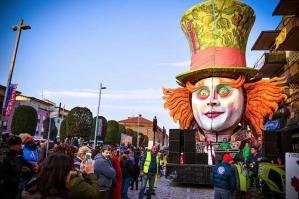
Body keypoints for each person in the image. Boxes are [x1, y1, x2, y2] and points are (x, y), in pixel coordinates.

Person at [22, 153, 101, 199]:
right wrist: (90, 173)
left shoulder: (35, 182)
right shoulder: (73, 182)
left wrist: (79, 173)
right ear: (67, 168)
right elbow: (94, 194)